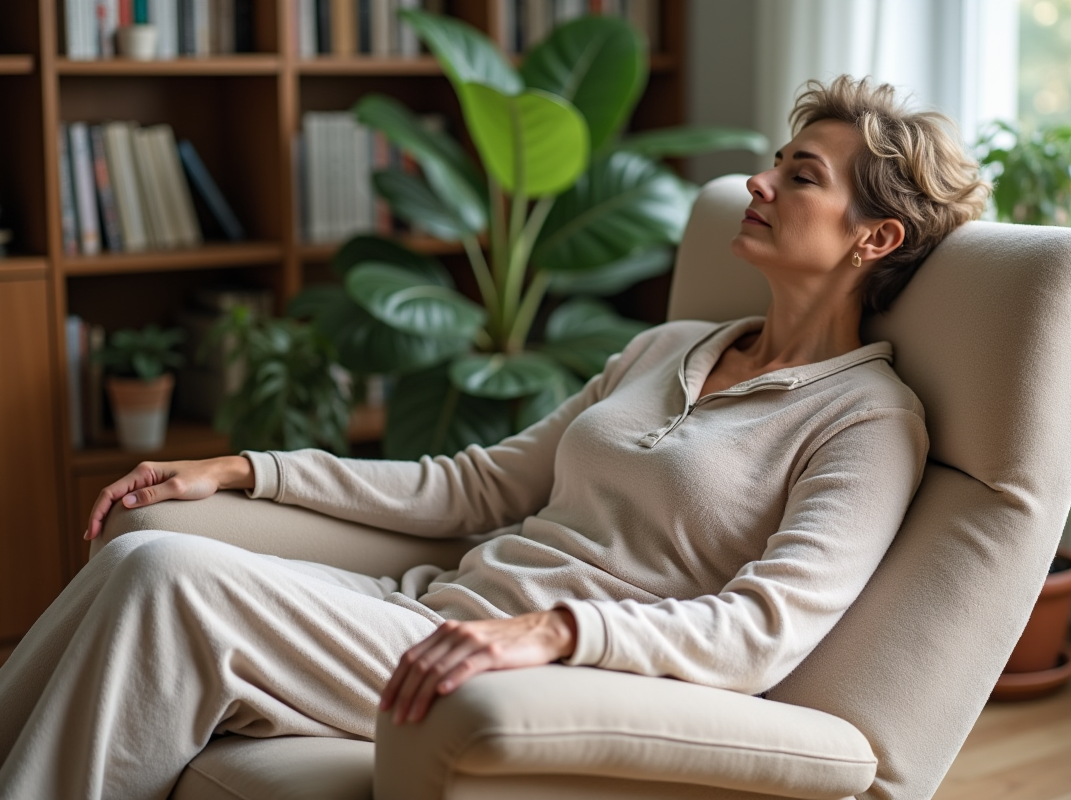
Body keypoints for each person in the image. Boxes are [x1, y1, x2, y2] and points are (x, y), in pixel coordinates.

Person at [0, 75, 989, 800]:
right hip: (428, 605)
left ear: (877, 237)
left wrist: (553, 629)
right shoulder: (671, 344)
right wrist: (249, 467)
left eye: (800, 175)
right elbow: (472, 484)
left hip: (522, 668)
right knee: (144, 552)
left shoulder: (869, 422)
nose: (758, 185)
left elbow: (758, 632)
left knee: (169, 579)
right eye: (774, 162)